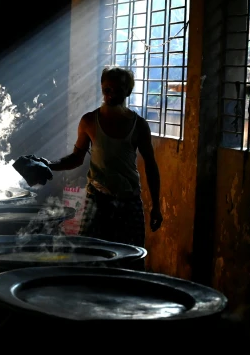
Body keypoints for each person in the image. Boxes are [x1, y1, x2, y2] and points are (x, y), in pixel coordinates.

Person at [37, 66, 162, 249]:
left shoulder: (139, 125)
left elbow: (151, 166)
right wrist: (48, 165)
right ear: (102, 88)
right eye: (107, 90)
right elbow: (76, 158)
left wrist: (156, 206)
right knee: (91, 257)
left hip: (129, 200)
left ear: (128, 91)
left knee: (128, 257)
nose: (111, 95)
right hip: (97, 200)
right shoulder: (89, 121)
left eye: (118, 90)